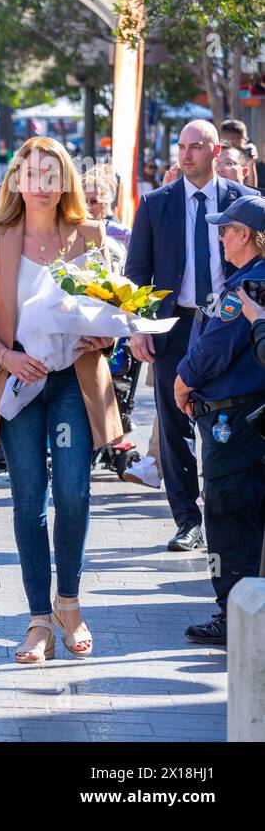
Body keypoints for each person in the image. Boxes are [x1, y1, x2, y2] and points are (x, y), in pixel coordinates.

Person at [0, 136, 122, 664]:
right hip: (20, 386)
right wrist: (7, 358)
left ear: (65, 181)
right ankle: (38, 622)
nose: (40, 183)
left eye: (50, 174)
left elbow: (111, 314)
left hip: (72, 385)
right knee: (29, 502)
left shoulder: (90, 234)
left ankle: (70, 605)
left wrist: (103, 336)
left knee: (74, 493)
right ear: (17, 180)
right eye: (30, 173)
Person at [126, 120, 253, 553]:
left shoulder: (246, 203)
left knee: (225, 419)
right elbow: (136, 273)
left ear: (216, 151)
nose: (186, 155)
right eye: (182, 146)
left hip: (231, 326)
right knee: (173, 425)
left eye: (196, 147)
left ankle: (231, 517)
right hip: (174, 325)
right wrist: (138, 328)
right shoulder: (156, 204)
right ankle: (187, 522)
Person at [173, 195, 265, 646]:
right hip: (251, 418)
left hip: (234, 420)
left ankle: (234, 618)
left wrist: (182, 380)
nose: (221, 236)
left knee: (229, 518)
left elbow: (215, 348)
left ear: (245, 235)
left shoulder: (248, 286)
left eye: (226, 229)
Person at [81, 164, 130, 268]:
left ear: (104, 203)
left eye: (94, 201)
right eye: (84, 201)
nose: (88, 206)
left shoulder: (124, 235)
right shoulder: (69, 232)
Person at [219, 118, 259, 190]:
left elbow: (252, 191)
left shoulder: (245, 155)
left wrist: (251, 164)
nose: (244, 143)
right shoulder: (214, 155)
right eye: (242, 139)